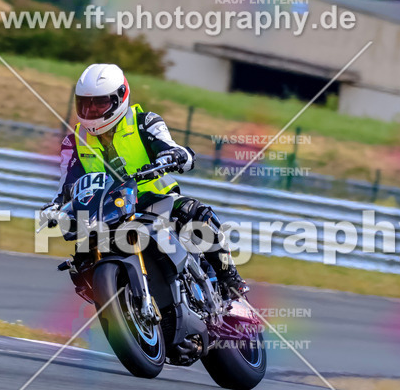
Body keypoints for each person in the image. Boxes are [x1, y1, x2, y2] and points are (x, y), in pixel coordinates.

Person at [42, 63, 248, 299]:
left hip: (157, 201)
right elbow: (67, 183)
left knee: (197, 214)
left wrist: (175, 155)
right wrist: (55, 206)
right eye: (85, 103)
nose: (92, 110)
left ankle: (230, 279)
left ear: (120, 97)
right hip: (107, 210)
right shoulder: (74, 142)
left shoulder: (144, 122)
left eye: (100, 103)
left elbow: (169, 147)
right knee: (80, 263)